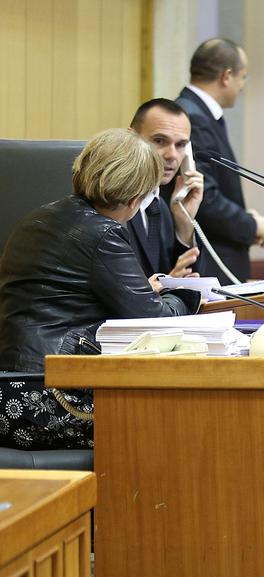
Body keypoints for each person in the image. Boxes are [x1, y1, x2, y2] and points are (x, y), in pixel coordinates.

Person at [0, 128, 202, 449]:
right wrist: (188, 294)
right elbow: (152, 321)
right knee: (177, 418)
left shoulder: (37, 218)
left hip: (11, 390)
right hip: (51, 398)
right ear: (137, 197)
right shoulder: (104, 233)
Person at [176, 37, 264, 283]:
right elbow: (204, 197)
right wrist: (251, 225)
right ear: (226, 76)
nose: (243, 86)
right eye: (243, 77)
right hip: (210, 260)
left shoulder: (199, 112)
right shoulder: (195, 117)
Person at [126, 98, 205, 280]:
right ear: (131, 139)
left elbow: (190, 282)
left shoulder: (161, 206)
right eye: (160, 141)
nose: (172, 155)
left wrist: (185, 224)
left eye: (181, 145)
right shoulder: (111, 205)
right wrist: (166, 285)